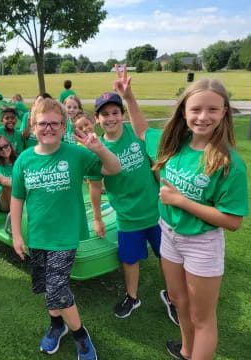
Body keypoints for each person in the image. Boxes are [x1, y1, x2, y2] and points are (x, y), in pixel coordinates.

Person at [114, 65, 249, 359]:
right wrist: (129, 97)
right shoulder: (173, 145)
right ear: (184, 112)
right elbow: (140, 130)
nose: (203, 116)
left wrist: (182, 201)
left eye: (213, 109)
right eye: (196, 109)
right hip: (170, 234)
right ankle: (187, 351)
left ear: (224, 112)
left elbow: (233, 221)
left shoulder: (228, 162)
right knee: (178, 301)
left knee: (203, 319)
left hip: (202, 243)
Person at [11, 98, 121, 360]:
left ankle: (81, 335)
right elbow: (17, 198)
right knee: (46, 285)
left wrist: (99, 148)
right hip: (37, 234)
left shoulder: (76, 153)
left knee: (57, 287)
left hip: (66, 235)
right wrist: (16, 234)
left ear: (64, 128)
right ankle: (57, 325)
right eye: (42, 123)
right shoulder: (24, 160)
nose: (48, 128)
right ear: (33, 126)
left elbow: (114, 168)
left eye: (55, 123)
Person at [87, 90, 178, 324]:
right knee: (130, 259)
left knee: (166, 255)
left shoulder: (135, 134)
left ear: (122, 115)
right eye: (105, 114)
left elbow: (154, 162)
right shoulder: (96, 148)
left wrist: (163, 191)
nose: (110, 118)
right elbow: (95, 187)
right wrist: (97, 218)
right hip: (127, 216)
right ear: (97, 119)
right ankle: (132, 296)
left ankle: (172, 295)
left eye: (115, 112)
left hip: (155, 210)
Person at [0, 135, 17, 212]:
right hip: (4, 202)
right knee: (7, 185)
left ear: (10, 145)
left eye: (5, 146)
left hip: (19, 198)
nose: (4, 150)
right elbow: (3, 181)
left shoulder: (18, 161)